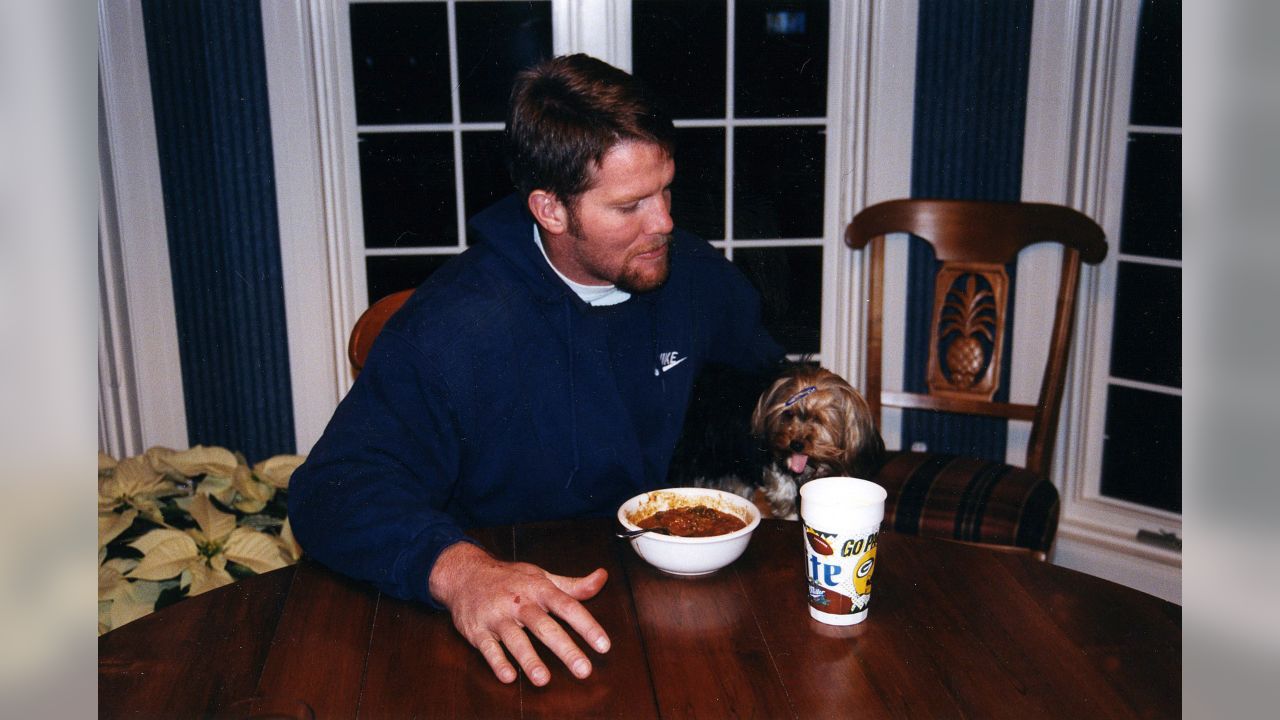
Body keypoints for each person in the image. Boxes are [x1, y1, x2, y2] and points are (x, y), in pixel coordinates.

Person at [288, 54, 783, 687]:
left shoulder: (691, 275)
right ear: (550, 209)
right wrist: (460, 572)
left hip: (679, 602)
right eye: (630, 205)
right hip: (512, 626)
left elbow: (762, 382)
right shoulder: (452, 325)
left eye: (666, 189)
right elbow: (330, 490)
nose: (665, 222)